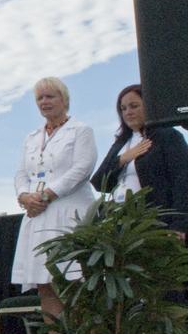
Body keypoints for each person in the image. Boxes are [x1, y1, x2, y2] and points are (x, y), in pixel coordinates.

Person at [11, 77, 97, 320]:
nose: (44, 102)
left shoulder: (81, 130)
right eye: (40, 98)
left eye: (50, 96)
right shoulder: (31, 137)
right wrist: (24, 196)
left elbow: (82, 168)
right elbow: (20, 173)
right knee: (45, 286)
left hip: (68, 215)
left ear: (64, 100)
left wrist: (47, 195)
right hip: (37, 217)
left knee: (73, 283)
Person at [90, 83, 188, 231]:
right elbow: (98, 182)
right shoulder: (121, 143)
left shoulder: (167, 135)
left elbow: (182, 181)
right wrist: (123, 158)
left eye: (134, 106)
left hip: (156, 222)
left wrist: (180, 225)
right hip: (122, 224)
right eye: (123, 109)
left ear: (148, 105)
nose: (128, 112)